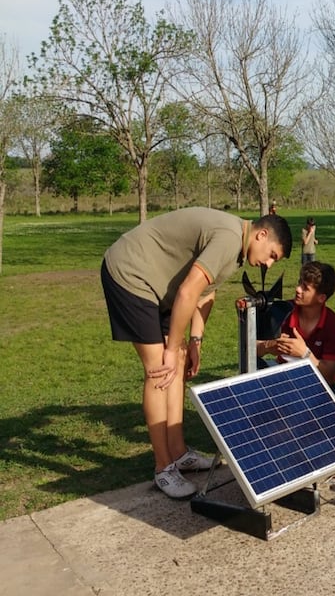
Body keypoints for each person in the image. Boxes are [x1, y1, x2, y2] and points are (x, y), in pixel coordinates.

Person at [100, 207, 292, 499]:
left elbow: (205, 294)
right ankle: (163, 468)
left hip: (160, 285)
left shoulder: (236, 248)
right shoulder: (229, 238)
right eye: (272, 255)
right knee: (159, 371)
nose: (267, 264)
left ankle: (178, 454)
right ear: (261, 234)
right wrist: (172, 348)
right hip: (131, 273)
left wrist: (194, 342)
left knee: (176, 363)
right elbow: (189, 291)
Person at [256, 261, 335, 389]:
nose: (297, 289)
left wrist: (304, 353)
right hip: (282, 374)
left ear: (321, 298)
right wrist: (268, 346)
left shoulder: (333, 324)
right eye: (299, 283)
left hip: (315, 383)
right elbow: (250, 350)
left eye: (305, 288)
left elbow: (329, 375)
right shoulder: (282, 310)